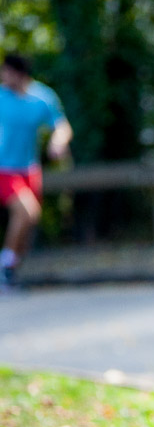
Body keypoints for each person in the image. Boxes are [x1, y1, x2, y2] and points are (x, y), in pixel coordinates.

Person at [0, 53, 73, 289]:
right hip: (4, 169)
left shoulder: (42, 97)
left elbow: (61, 125)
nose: (3, 76)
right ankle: (5, 266)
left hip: (29, 170)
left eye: (6, 72)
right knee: (26, 211)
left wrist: (57, 142)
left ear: (19, 74)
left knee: (31, 219)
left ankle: (10, 271)